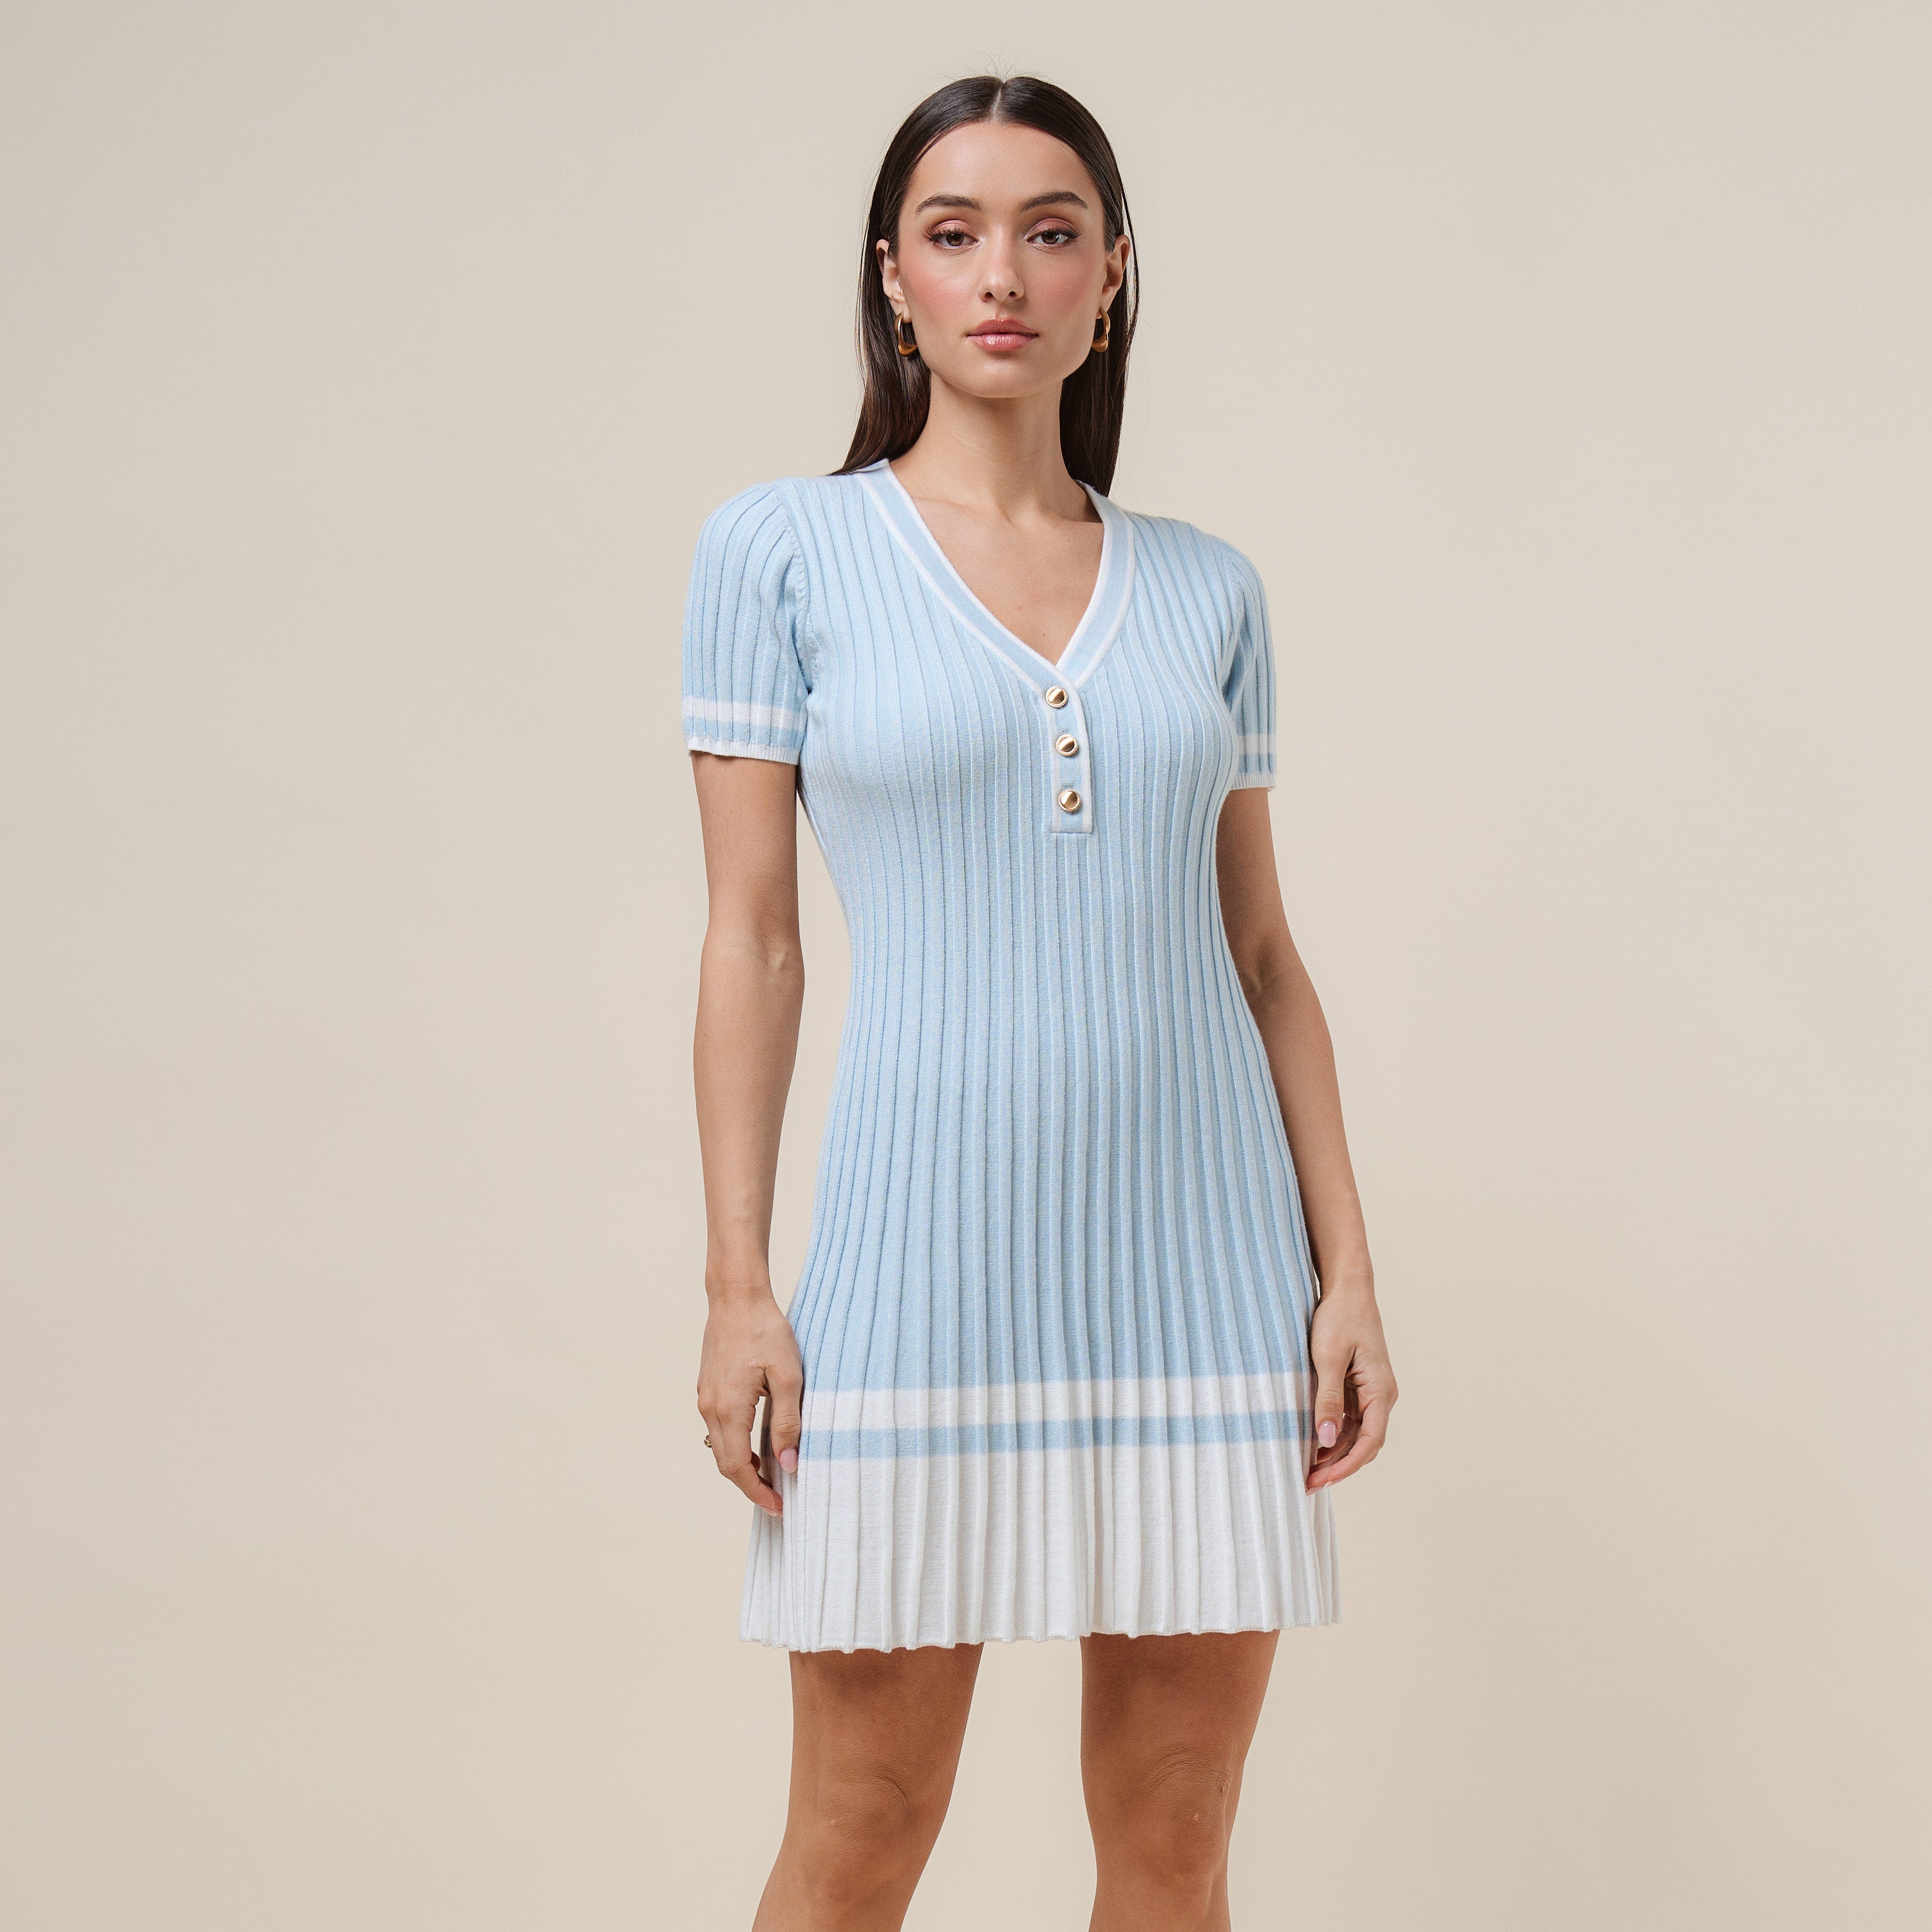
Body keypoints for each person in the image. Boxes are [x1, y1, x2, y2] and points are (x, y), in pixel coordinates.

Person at [681, 72, 1397, 1932]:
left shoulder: (1208, 590)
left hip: (1205, 1280)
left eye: (1050, 230)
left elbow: (1262, 954)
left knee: (1176, 1839)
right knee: (862, 1831)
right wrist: (741, 1287)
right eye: (955, 231)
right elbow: (755, 945)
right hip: (915, 1278)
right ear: (893, 278)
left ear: (1113, 275)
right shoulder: (781, 552)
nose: (1002, 274)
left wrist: (1345, 1274)